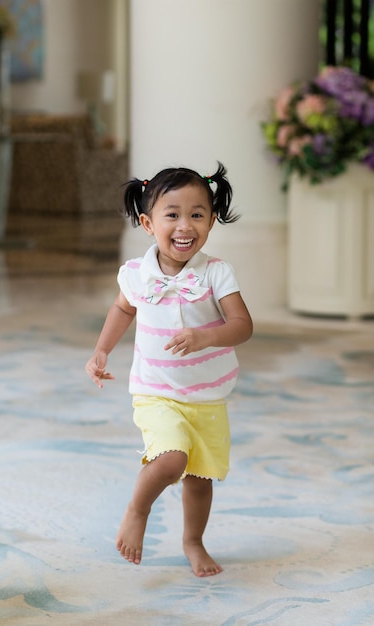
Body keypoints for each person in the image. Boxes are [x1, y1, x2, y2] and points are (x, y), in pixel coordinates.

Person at [85, 162, 253, 577]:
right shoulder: (137, 274)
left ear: (212, 220)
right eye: (172, 214)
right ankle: (137, 511)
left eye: (197, 214)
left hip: (207, 396)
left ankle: (193, 541)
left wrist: (205, 336)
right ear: (147, 222)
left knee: (199, 479)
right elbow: (123, 309)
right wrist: (101, 351)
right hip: (155, 389)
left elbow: (242, 326)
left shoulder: (216, 273)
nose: (185, 225)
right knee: (171, 459)